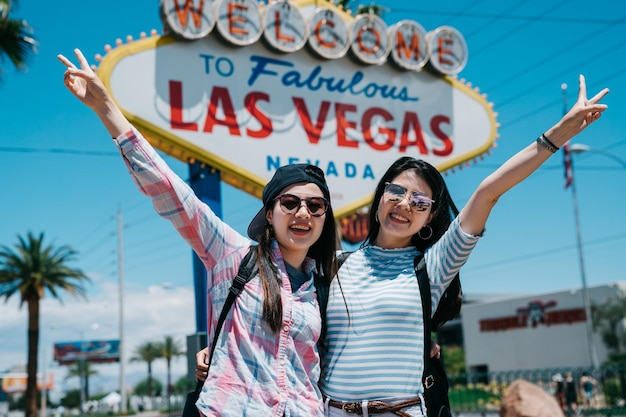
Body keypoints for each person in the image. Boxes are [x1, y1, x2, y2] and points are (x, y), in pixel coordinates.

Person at [199, 73, 608, 416]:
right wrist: (219, 353)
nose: (404, 204)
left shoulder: (431, 269)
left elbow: (487, 192)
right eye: (396, 191)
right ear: (379, 199)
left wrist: (557, 135)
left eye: (420, 201)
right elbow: (285, 323)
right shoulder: (330, 266)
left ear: (430, 217)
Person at [58, 49, 339, 417]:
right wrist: (106, 107)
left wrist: (426, 345)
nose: (303, 213)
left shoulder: (329, 284)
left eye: (315, 206)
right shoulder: (233, 254)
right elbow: (170, 191)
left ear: (324, 218)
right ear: (269, 214)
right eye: (290, 203)